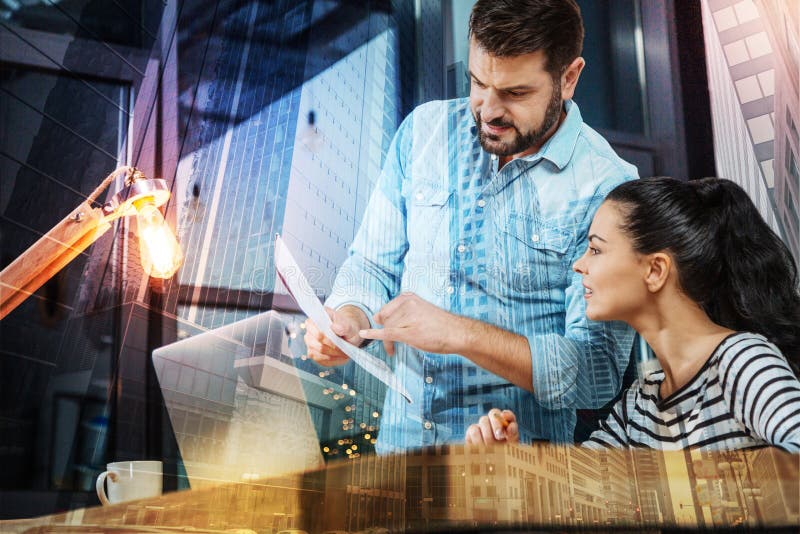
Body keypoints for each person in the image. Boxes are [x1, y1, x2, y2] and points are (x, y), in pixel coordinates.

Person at [304, 0, 638, 452]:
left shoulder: (607, 187)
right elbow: (371, 266)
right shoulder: (422, 132)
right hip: (400, 456)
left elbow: (597, 371)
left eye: (516, 93)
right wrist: (348, 316)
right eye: (478, 83)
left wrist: (460, 333)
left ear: (569, 77)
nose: (488, 110)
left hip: (514, 483)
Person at [467, 177, 800, 452]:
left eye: (596, 249)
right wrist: (511, 458)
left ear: (655, 270)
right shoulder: (642, 401)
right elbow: (576, 492)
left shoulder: (741, 360)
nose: (579, 264)